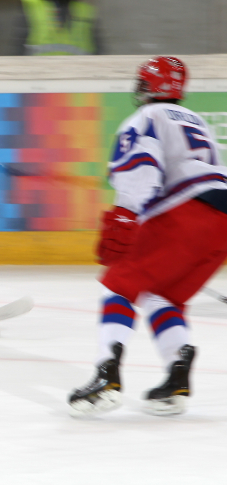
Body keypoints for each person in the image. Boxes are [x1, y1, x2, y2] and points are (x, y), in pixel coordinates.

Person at [68, 56, 226, 417]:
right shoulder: (198, 121)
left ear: (149, 86)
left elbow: (141, 167)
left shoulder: (145, 118)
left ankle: (107, 374)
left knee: (118, 286)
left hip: (185, 214)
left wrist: (125, 214)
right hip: (221, 222)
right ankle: (177, 372)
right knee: (162, 296)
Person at [16, 0, 101, 56]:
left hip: (79, 77)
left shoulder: (85, 10)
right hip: (40, 76)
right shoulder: (32, 8)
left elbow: (100, 51)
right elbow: (17, 49)